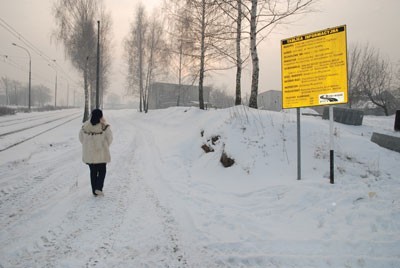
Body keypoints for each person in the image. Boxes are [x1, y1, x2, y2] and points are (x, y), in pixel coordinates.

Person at [79, 109, 113, 196]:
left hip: (90, 155)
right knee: (102, 171)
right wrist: (104, 146)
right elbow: (110, 139)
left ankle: (94, 190)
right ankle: (98, 188)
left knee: (93, 172)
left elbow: (81, 138)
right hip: (101, 154)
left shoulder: (85, 126)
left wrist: (88, 145)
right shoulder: (104, 126)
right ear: (101, 116)